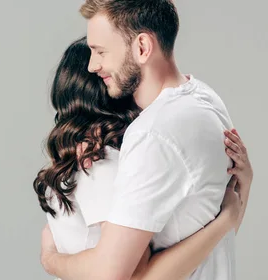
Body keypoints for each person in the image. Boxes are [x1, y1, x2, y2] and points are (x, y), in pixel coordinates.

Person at [40, 1, 253, 279]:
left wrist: (50, 259)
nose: (92, 65)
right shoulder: (205, 98)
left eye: (101, 51)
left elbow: (113, 274)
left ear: (142, 47)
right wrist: (230, 214)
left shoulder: (152, 135)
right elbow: (219, 217)